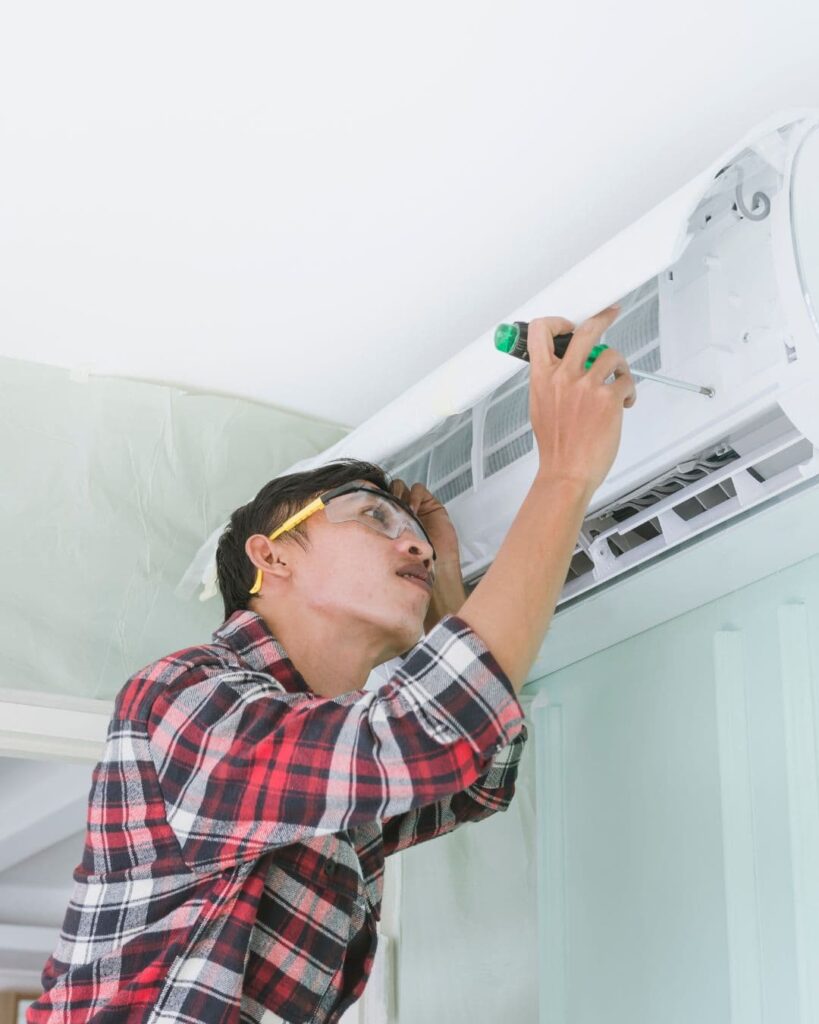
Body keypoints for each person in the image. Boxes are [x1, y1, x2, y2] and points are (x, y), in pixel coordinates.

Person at [29, 308, 635, 1024]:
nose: (413, 545)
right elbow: (428, 737)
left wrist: (444, 598)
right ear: (271, 554)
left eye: (417, 537)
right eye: (374, 519)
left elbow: (476, 777)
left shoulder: (325, 781)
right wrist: (562, 473)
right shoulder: (179, 699)